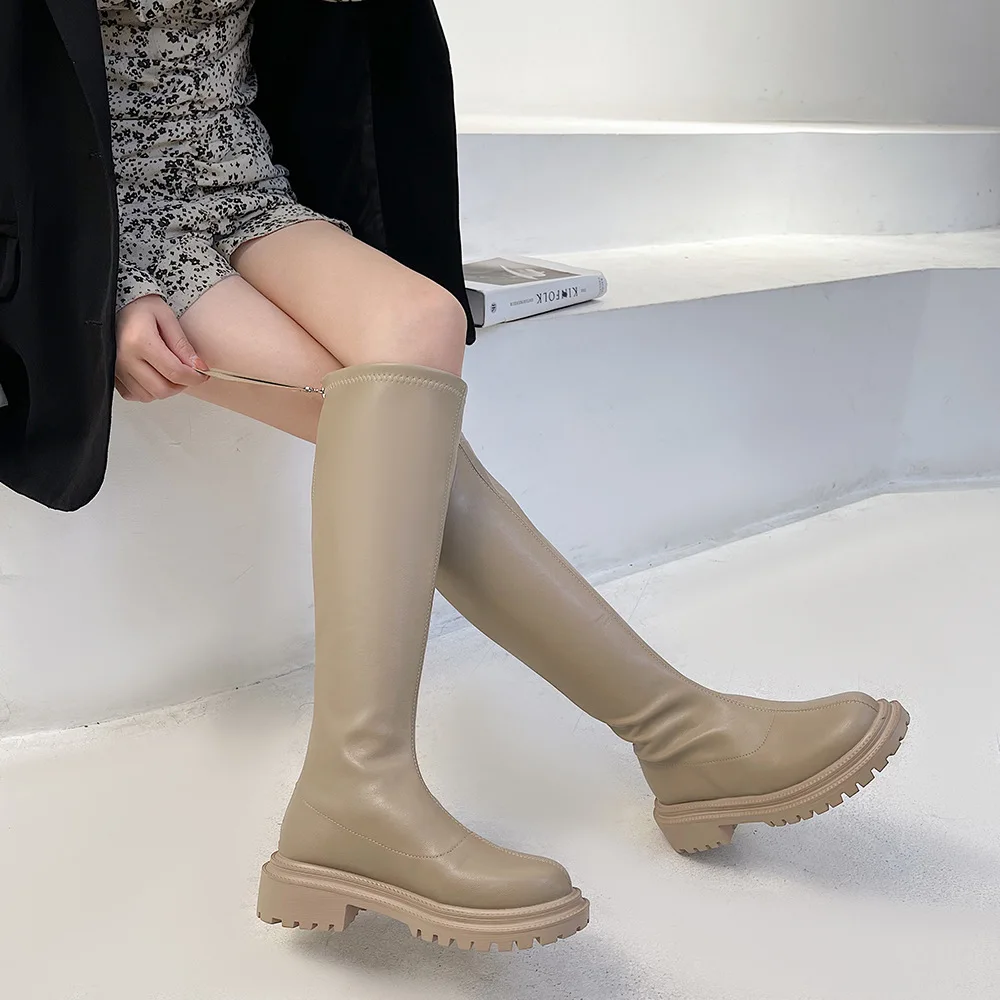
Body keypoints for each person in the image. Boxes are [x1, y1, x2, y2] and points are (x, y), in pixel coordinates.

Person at [0, 0, 908, 953]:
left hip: (242, 182)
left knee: (422, 328)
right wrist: (102, 290)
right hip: (94, 218)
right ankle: (621, 742)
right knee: (391, 422)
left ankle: (644, 744)